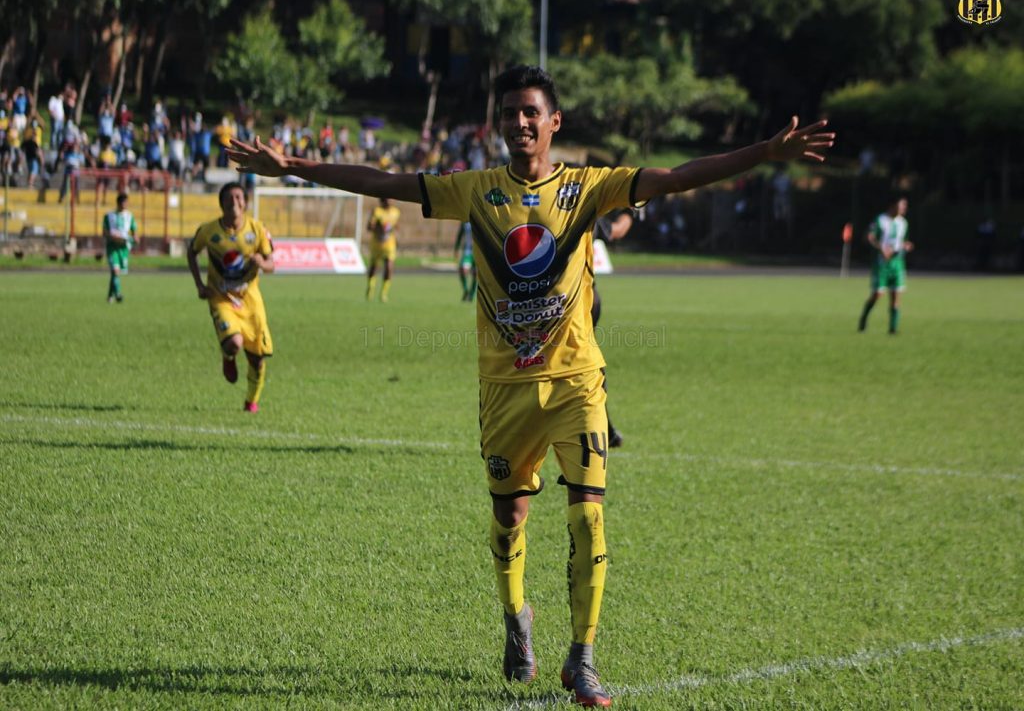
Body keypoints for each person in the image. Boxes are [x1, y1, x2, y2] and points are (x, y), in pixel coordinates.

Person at [227, 64, 834, 707]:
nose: (519, 122)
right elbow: (382, 182)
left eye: (530, 112)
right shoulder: (475, 190)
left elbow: (677, 176)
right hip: (505, 389)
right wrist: (292, 166)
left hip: (577, 381)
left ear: (553, 122)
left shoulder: (589, 187)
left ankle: (583, 657)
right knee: (509, 517)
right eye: (509, 113)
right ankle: (517, 619)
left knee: (589, 517)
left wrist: (764, 153)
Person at [187, 183, 276, 413]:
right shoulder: (209, 231)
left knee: (257, 359)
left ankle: (251, 401)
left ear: (245, 203)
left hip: (250, 301)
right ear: (221, 203)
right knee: (234, 343)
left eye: (238, 197)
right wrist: (199, 285)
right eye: (229, 197)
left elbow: (271, 264)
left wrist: (262, 262)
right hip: (221, 297)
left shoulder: (257, 229)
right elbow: (192, 252)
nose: (234, 201)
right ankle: (228, 356)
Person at [592, 208, 639, 448]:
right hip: (580, 301)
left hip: (527, 303)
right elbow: (617, 230)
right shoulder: (579, 206)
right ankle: (603, 426)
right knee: (588, 366)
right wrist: (631, 211)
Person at [858, 196, 913, 335]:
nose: (904, 208)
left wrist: (906, 245)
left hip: (897, 263)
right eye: (901, 205)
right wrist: (881, 248)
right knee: (878, 294)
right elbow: (868, 237)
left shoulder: (903, 223)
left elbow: (902, 241)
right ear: (893, 205)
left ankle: (893, 329)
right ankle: (864, 318)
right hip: (881, 264)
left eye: (905, 206)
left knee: (895, 296)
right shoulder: (880, 220)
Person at [102, 192, 136, 303]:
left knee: (116, 273)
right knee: (115, 270)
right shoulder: (109, 216)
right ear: (119, 203)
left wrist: (135, 239)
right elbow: (104, 232)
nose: (126, 204)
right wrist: (113, 237)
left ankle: (110, 296)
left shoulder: (129, 216)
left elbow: (134, 232)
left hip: (124, 248)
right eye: (124, 202)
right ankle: (117, 294)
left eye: (127, 202)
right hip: (112, 247)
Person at [366, 197, 400, 302]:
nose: (389, 201)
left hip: (389, 244)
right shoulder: (377, 211)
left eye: (391, 198)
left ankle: (384, 293)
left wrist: (396, 236)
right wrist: (377, 226)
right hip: (377, 243)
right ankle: (371, 288)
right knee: (374, 267)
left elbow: (395, 226)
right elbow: (369, 227)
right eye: (387, 199)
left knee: (389, 266)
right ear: (382, 200)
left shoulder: (396, 212)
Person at [454, 220, 476, 301]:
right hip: (468, 251)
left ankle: (472, 294)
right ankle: (466, 290)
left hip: (478, 251)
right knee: (462, 270)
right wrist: (456, 248)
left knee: (476, 273)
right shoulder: (464, 222)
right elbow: (460, 235)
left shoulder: (479, 219)